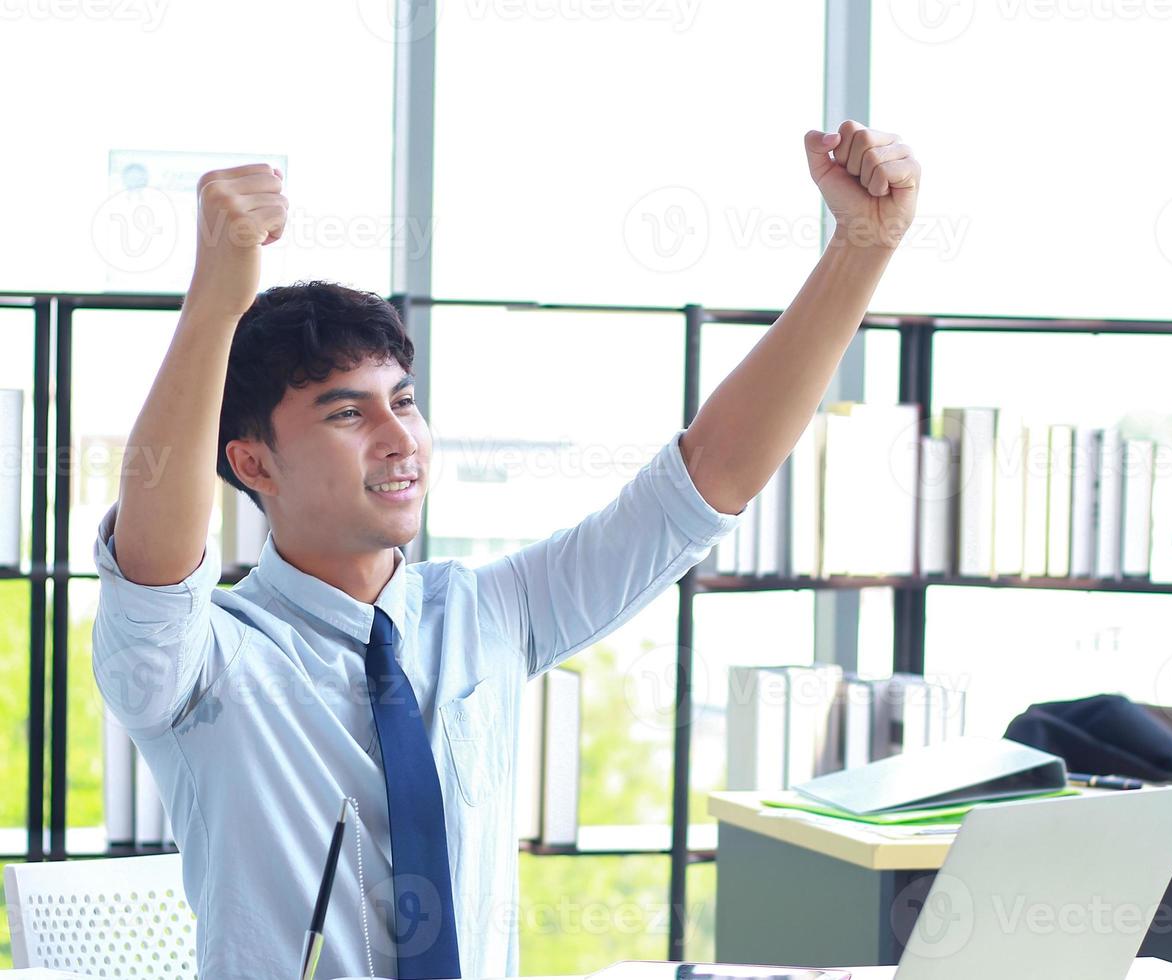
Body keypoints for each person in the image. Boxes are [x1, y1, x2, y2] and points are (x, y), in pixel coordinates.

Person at [91, 120, 919, 979]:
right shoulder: (206, 663)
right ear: (252, 461)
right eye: (346, 413)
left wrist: (863, 246)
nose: (397, 437)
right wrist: (216, 304)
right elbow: (155, 564)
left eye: (403, 401)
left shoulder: (487, 613)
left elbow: (706, 479)